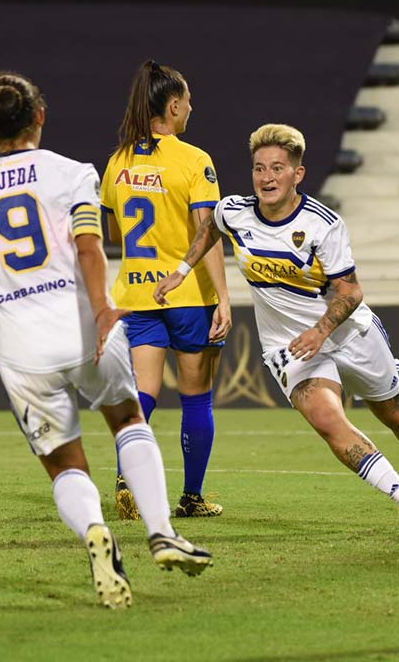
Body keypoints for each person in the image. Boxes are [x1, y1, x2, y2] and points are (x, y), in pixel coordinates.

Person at [0, 71, 212, 609]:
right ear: (39, 115)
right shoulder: (72, 173)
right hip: (82, 327)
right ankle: (163, 531)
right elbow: (90, 249)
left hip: (21, 348)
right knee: (127, 422)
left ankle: (96, 532)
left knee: (65, 464)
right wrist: (101, 310)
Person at [154, 123, 399, 532]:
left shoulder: (324, 225)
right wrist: (181, 271)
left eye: (277, 169)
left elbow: (351, 292)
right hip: (288, 346)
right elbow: (209, 228)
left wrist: (320, 331)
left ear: (297, 174)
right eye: (259, 168)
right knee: (327, 420)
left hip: (346, 333)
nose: (266, 178)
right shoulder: (234, 210)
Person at [101, 61, 231, 520]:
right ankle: (192, 498)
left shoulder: (117, 161)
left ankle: (125, 478)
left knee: (144, 392)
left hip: (136, 295)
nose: (191, 107)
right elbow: (207, 232)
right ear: (173, 106)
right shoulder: (195, 160)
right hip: (189, 295)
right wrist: (225, 297)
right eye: (188, 100)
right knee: (196, 396)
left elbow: (115, 234)